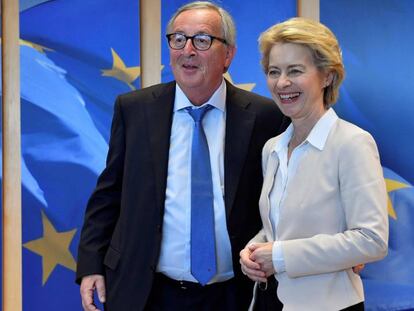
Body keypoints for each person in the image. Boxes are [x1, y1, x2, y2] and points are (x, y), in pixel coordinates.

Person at [76, 1, 288, 310]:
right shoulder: (134, 110)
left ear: (228, 54)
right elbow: (109, 194)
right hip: (149, 291)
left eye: (202, 40)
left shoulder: (266, 116)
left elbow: (285, 200)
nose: (187, 50)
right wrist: (91, 263)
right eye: (178, 39)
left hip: (236, 293)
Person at [239, 17, 389, 311]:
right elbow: (280, 230)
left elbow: (371, 240)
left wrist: (279, 255)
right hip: (268, 301)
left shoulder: (352, 143)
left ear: (328, 76)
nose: (282, 83)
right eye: (274, 71)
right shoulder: (272, 148)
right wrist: (253, 250)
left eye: (295, 70)